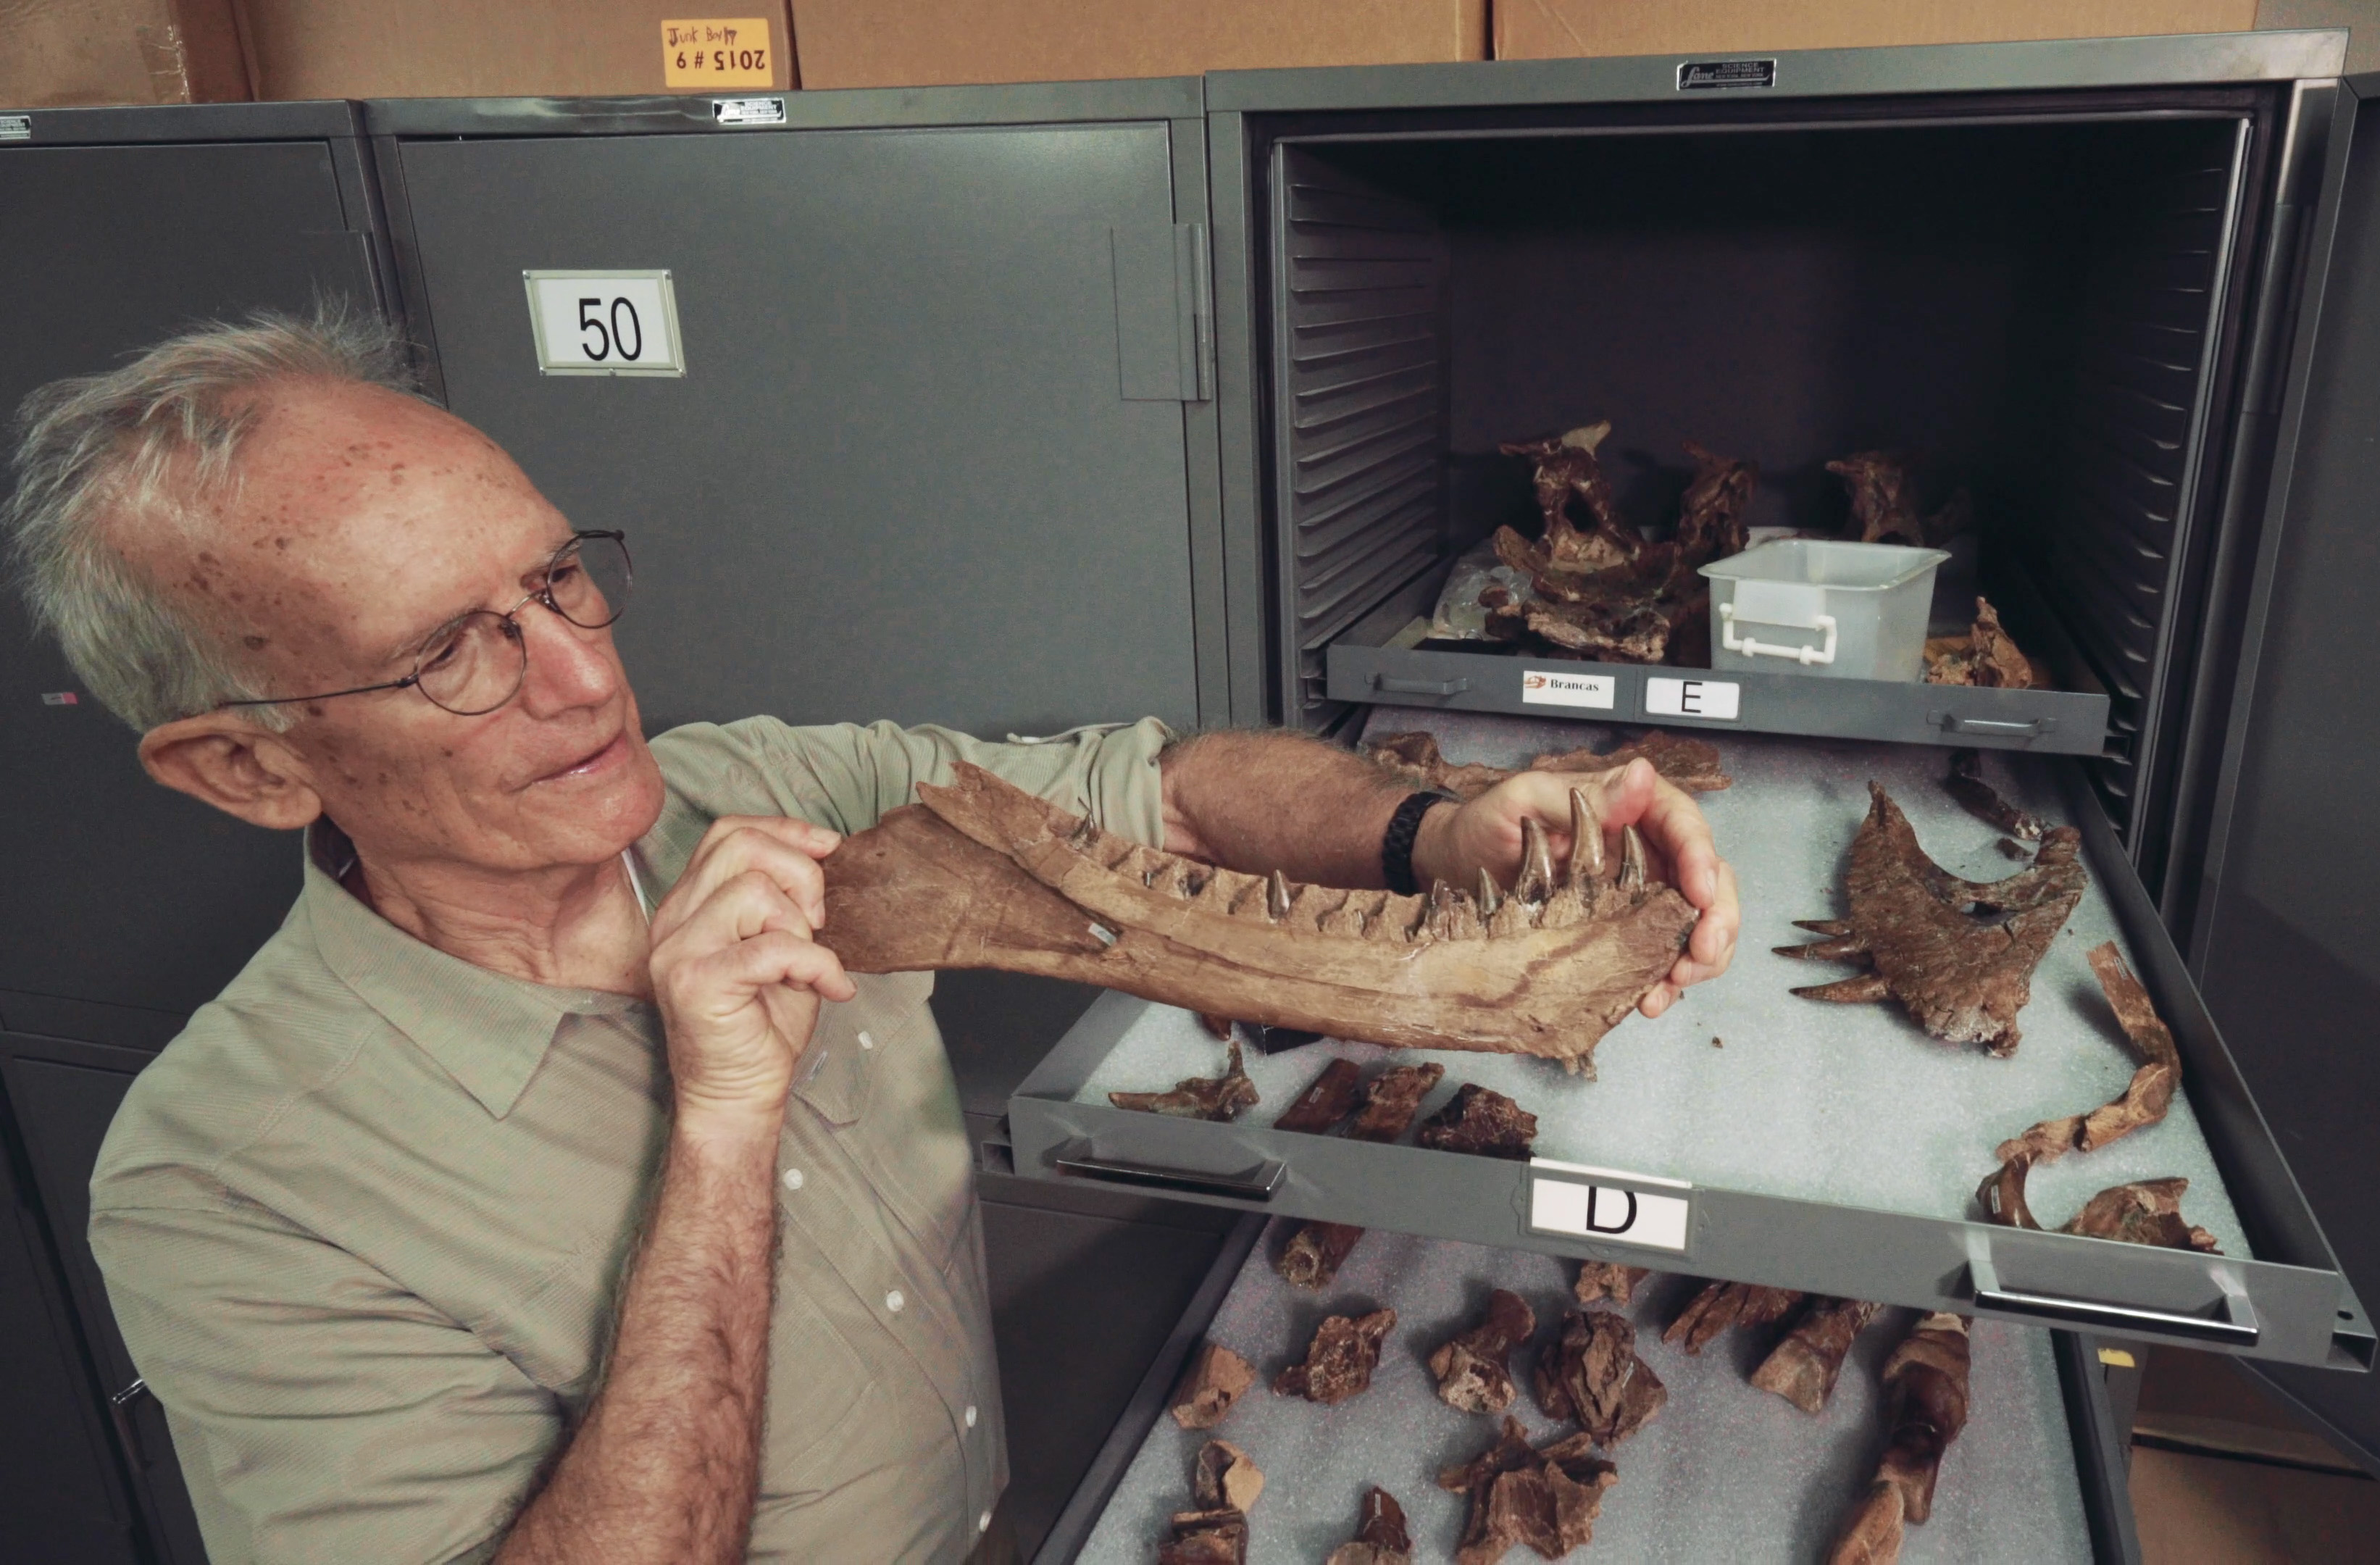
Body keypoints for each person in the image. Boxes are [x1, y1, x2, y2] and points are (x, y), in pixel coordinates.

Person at [1, 309, 1739, 1564]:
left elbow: (1164, 799)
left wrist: (1440, 834)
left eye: (555, 579)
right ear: (246, 764)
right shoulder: (226, 1184)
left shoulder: (759, 785)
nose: (586, 677)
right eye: (451, 652)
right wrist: (723, 1123)